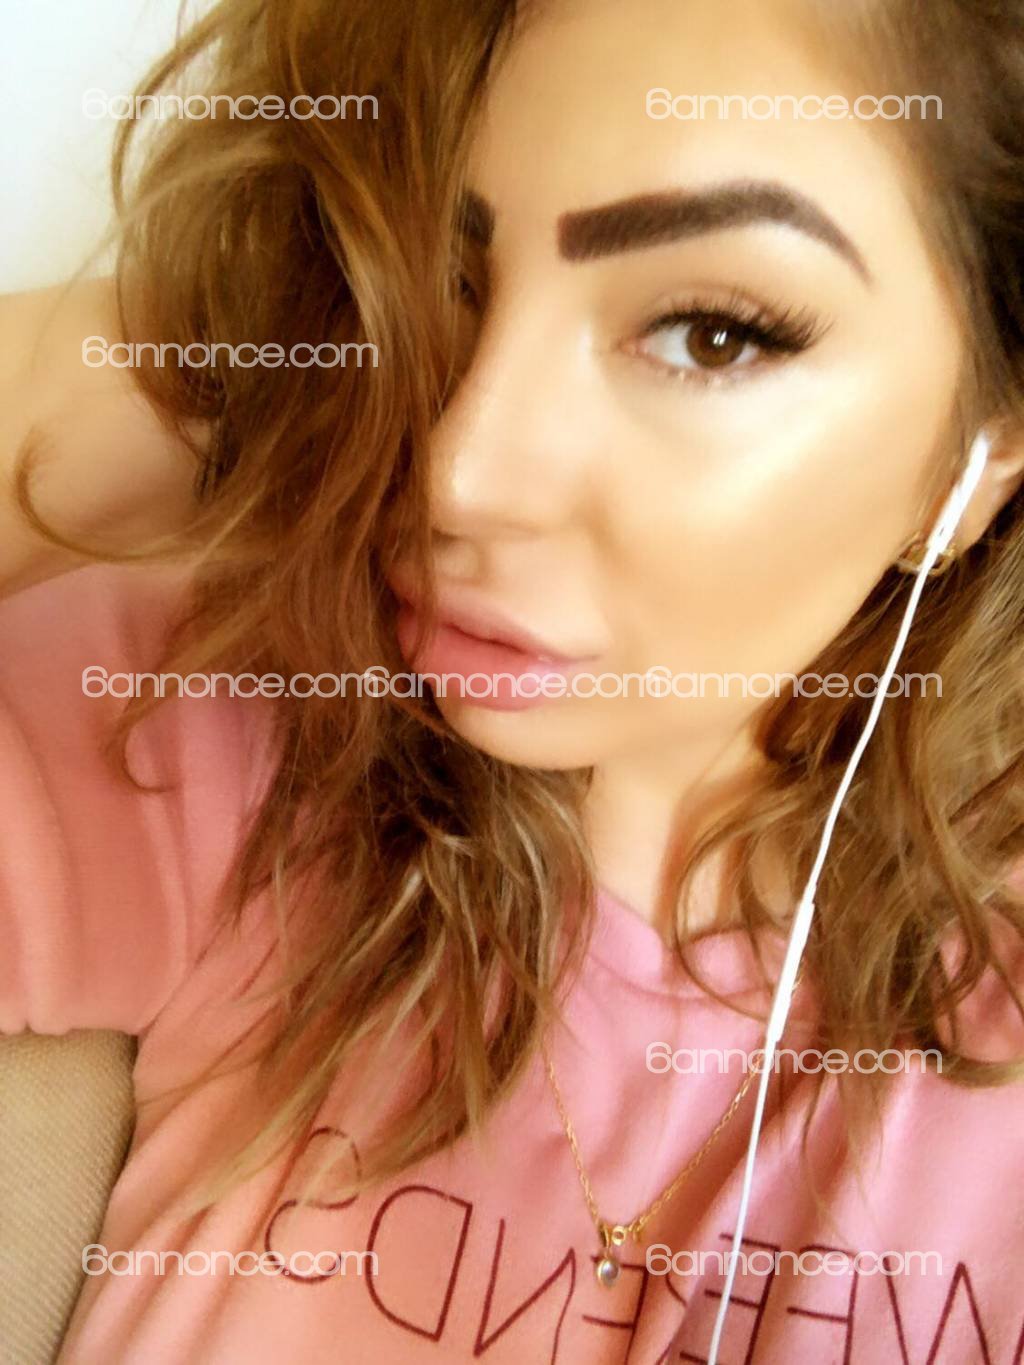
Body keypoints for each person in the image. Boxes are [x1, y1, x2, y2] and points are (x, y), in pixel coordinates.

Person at [2, 0, 1024, 1359]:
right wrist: (266, 393)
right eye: (452, 278)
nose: (457, 469)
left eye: (712, 333)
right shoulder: (228, 731)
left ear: (984, 455)